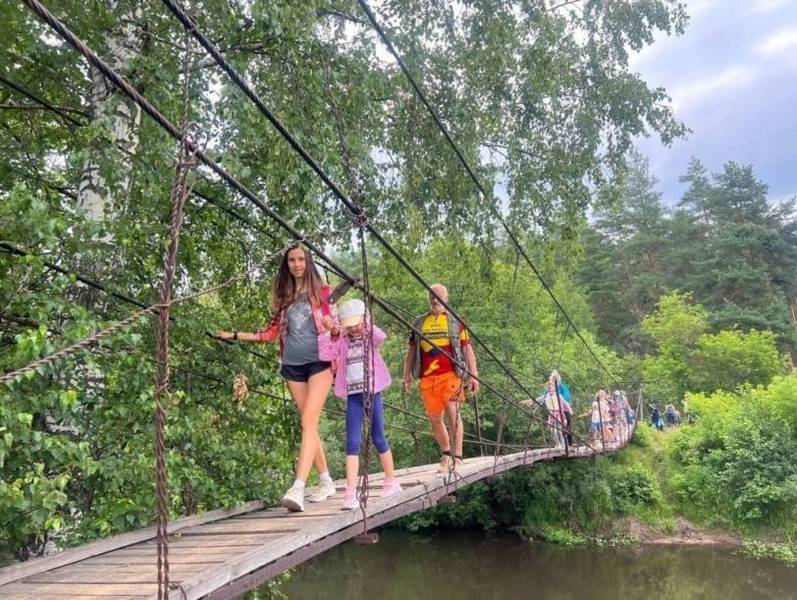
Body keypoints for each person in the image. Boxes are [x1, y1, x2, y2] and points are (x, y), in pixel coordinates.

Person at [217, 245, 338, 512]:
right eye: (292, 260)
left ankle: (298, 487)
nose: (297, 264)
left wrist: (335, 327)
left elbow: (336, 329)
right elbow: (270, 334)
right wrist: (235, 335)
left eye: (301, 259)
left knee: (308, 420)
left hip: (320, 362)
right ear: (287, 264)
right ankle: (327, 480)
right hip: (293, 366)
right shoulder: (285, 298)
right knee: (309, 425)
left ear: (308, 262)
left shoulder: (323, 292)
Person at [331, 299, 402, 510]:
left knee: (378, 436)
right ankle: (350, 493)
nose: (354, 328)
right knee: (352, 442)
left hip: (373, 393)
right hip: (353, 396)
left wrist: (366, 321)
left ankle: (390, 481)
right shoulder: (343, 341)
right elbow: (326, 353)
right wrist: (333, 332)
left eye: (356, 323)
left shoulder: (370, 338)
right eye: (349, 324)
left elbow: (382, 336)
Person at [402, 284, 479, 472]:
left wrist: (473, 375)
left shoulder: (456, 321)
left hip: (451, 375)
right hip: (428, 378)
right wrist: (406, 375)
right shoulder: (419, 323)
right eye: (431, 296)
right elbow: (412, 350)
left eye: (439, 296)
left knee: (453, 413)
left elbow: (467, 348)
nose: (435, 299)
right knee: (435, 418)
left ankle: (457, 457)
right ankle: (446, 454)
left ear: (447, 297)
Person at [540, 378, 572, 448]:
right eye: (549, 387)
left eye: (551, 386)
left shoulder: (558, 395)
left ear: (554, 388)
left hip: (559, 414)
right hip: (551, 414)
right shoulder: (547, 396)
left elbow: (565, 403)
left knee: (559, 430)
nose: (550, 388)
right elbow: (543, 402)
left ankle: (562, 443)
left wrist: (570, 410)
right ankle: (558, 444)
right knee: (553, 430)